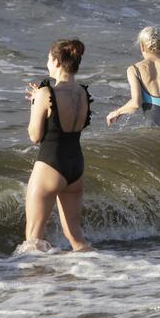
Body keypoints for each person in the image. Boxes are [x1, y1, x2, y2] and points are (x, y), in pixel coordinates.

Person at [21, 39, 93, 252]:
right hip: (75, 167)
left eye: (49, 59)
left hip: (50, 165)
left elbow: (35, 136)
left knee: (33, 239)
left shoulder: (45, 93)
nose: (47, 64)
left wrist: (35, 102)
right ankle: (100, 272)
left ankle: (33, 284)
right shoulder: (83, 93)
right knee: (76, 238)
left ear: (57, 62)